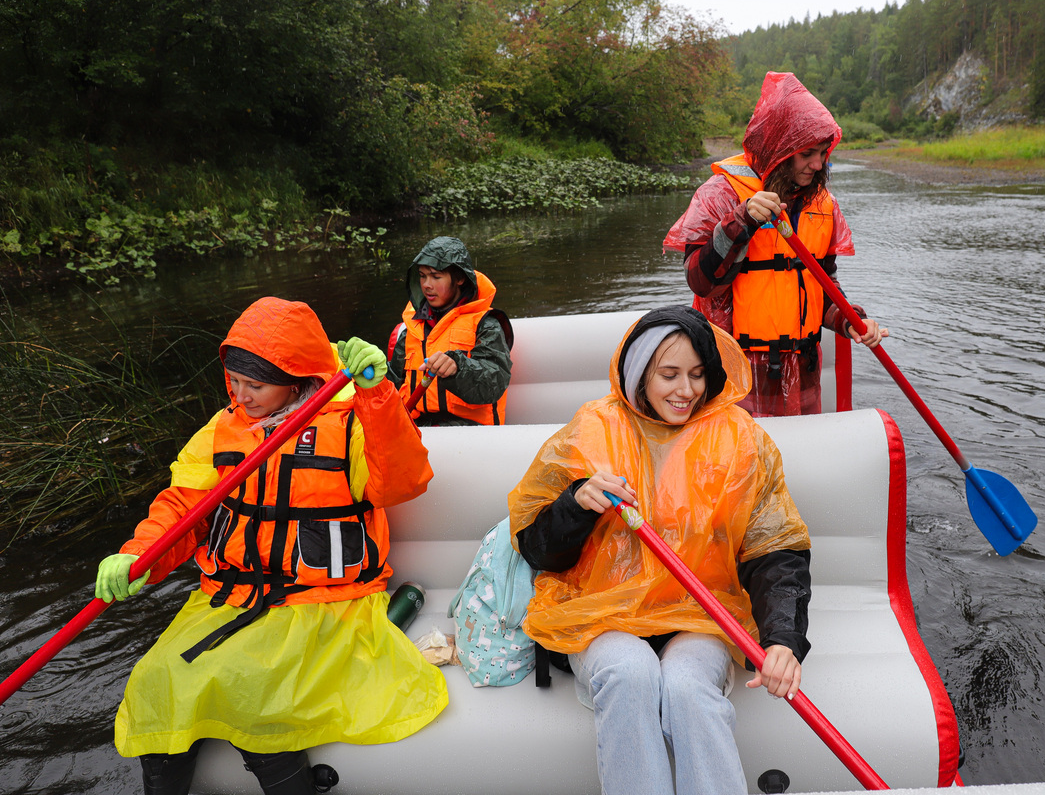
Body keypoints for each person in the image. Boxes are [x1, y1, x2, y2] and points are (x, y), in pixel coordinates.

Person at [94, 297, 448, 795]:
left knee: (251, 686)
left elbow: (402, 482)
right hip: (226, 600)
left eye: (254, 385)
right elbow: (181, 510)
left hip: (324, 605)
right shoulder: (221, 430)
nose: (242, 395)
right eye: (234, 382)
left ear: (295, 375)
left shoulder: (350, 423)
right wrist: (138, 557)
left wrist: (379, 394)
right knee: (154, 680)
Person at [508, 305, 812, 795]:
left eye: (697, 374)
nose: (686, 390)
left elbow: (774, 552)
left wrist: (783, 639)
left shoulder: (742, 440)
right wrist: (576, 505)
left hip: (699, 614)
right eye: (669, 375)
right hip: (600, 616)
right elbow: (539, 551)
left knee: (688, 686)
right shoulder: (591, 428)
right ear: (639, 377)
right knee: (630, 673)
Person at [664, 71, 888, 417]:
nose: (817, 165)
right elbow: (700, 281)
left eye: (823, 153)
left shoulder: (822, 204)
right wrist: (742, 222)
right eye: (806, 154)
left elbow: (823, 286)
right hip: (736, 373)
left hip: (804, 370)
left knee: (800, 465)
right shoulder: (720, 195)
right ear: (779, 152)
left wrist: (851, 321)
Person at [386, 236, 512, 426]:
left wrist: (458, 368)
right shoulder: (411, 330)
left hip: (471, 432)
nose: (427, 285)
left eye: (436, 276)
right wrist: (372, 372)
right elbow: (392, 385)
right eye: (422, 276)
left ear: (460, 278)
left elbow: (494, 384)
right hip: (418, 429)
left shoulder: (486, 324)